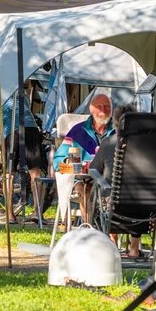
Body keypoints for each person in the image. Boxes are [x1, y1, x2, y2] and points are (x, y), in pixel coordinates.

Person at [52, 92, 115, 225]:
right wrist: (69, 163)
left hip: (111, 178)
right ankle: (89, 228)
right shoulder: (78, 131)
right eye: (99, 107)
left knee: (115, 191)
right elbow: (58, 160)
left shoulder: (118, 131)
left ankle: (111, 233)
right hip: (85, 179)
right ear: (91, 109)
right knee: (85, 188)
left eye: (107, 107)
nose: (103, 111)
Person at [90, 102, 143, 258]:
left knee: (105, 190)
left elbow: (93, 169)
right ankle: (134, 249)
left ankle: (112, 243)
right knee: (137, 200)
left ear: (116, 122)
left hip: (113, 205)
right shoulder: (146, 144)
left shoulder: (108, 142)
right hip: (144, 206)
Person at [0, 91, 46, 218]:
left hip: (12, 132)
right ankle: (37, 213)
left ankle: (10, 215)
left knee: (9, 174)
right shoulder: (20, 91)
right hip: (31, 128)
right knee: (35, 173)